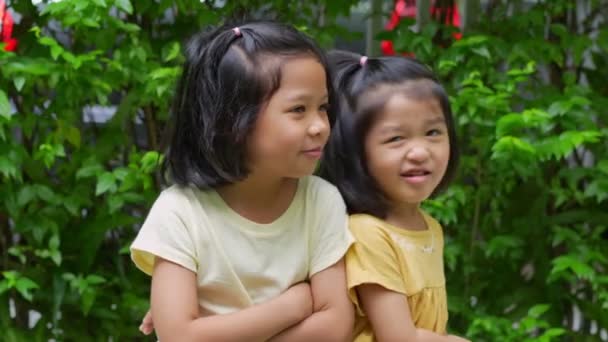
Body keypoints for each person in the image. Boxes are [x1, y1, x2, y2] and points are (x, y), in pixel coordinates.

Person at [130, 22, 354, 341]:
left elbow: (334, 328)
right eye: (298, 109)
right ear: (233, 123)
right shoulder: (180, 212)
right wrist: (291, 307)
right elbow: (180, 337)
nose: (320, 126)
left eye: (323, 108)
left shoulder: (320, 200)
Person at [319, 50, 469, 342]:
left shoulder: (430, 227)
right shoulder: (367, 233)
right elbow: (399, 338)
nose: (420, 152)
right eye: (396, 139)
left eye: (433, 132)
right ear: (356, 154)